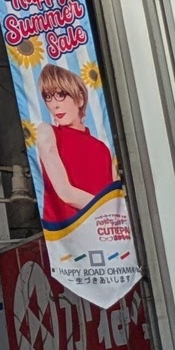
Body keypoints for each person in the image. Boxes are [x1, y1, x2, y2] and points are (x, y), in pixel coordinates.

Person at [27, 63, 118, 230]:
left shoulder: (103, 148)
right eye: (48, 97)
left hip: (104, 232)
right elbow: (65, 193)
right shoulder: (47, 132)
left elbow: (117, 197)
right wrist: (108, 216)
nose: (54, 105)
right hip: (68, 234)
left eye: (61, 95)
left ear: (80, 98)